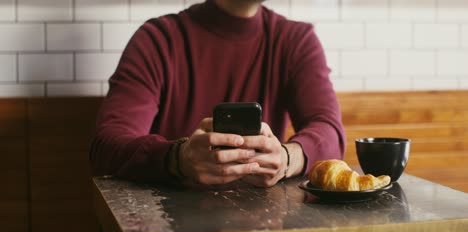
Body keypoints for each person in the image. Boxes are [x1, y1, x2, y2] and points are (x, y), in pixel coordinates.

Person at [89, 0, 345, 188]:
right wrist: (178, 158)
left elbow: (329, 131)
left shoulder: (296, 40)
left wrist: (287, 158)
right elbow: (107, 145)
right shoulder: (158, 39)